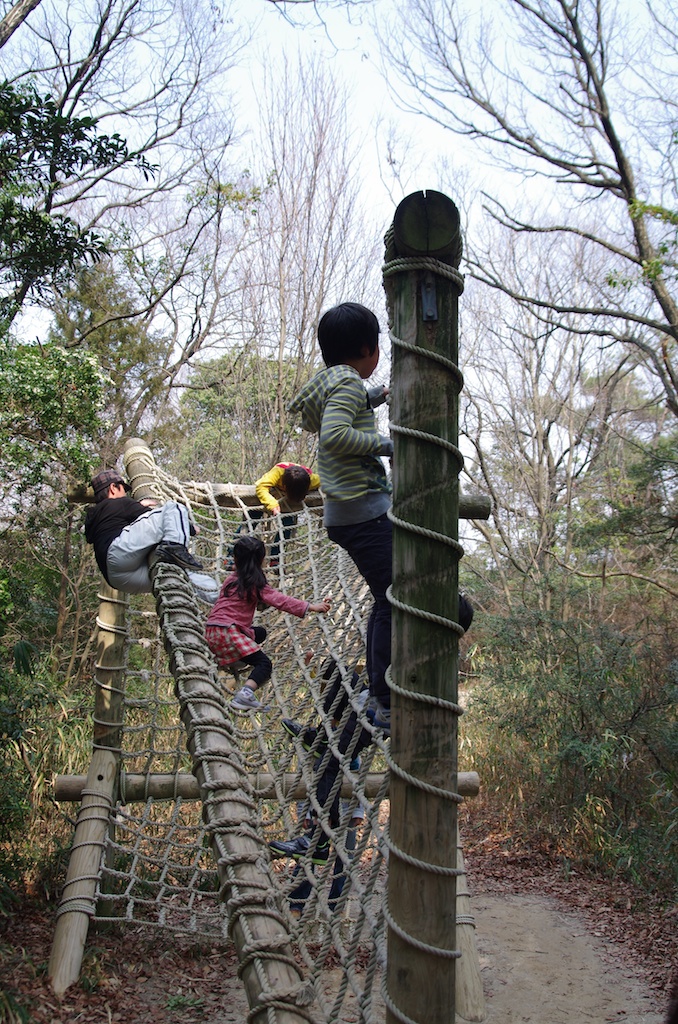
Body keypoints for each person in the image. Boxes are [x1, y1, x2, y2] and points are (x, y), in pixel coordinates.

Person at [288, 302, 392, 730]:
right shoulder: (348, 382)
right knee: (394, 599)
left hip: (345, 513)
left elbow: (335, 410)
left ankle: (378, 695)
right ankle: (383, 700)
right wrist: (386, 445)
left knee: (388, 598)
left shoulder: (333, 381)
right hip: (362, 510)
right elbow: (333, 435)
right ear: (368, 348)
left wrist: (373, 397)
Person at [205, 533, 331, 711]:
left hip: (212, 631)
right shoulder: (255, 584)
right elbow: (281, 601)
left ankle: (232, 657)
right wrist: (311, 607)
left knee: (260, 632)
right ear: (262, 560)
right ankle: (245, 694)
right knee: (264, 664)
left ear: (235, 559)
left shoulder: (230, 580)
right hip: (228, 633)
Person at [84, 468, 207, 594]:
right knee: (173, 508)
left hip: (118, 579)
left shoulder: (96, 515)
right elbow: (158, 518)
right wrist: (191, 528)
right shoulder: (119, 503)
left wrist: (136, 505)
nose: (125, 494)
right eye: (123, 489)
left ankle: (215, 596)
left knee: (182, 575)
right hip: (119, 551)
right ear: (113, 488)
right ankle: (176, 547)